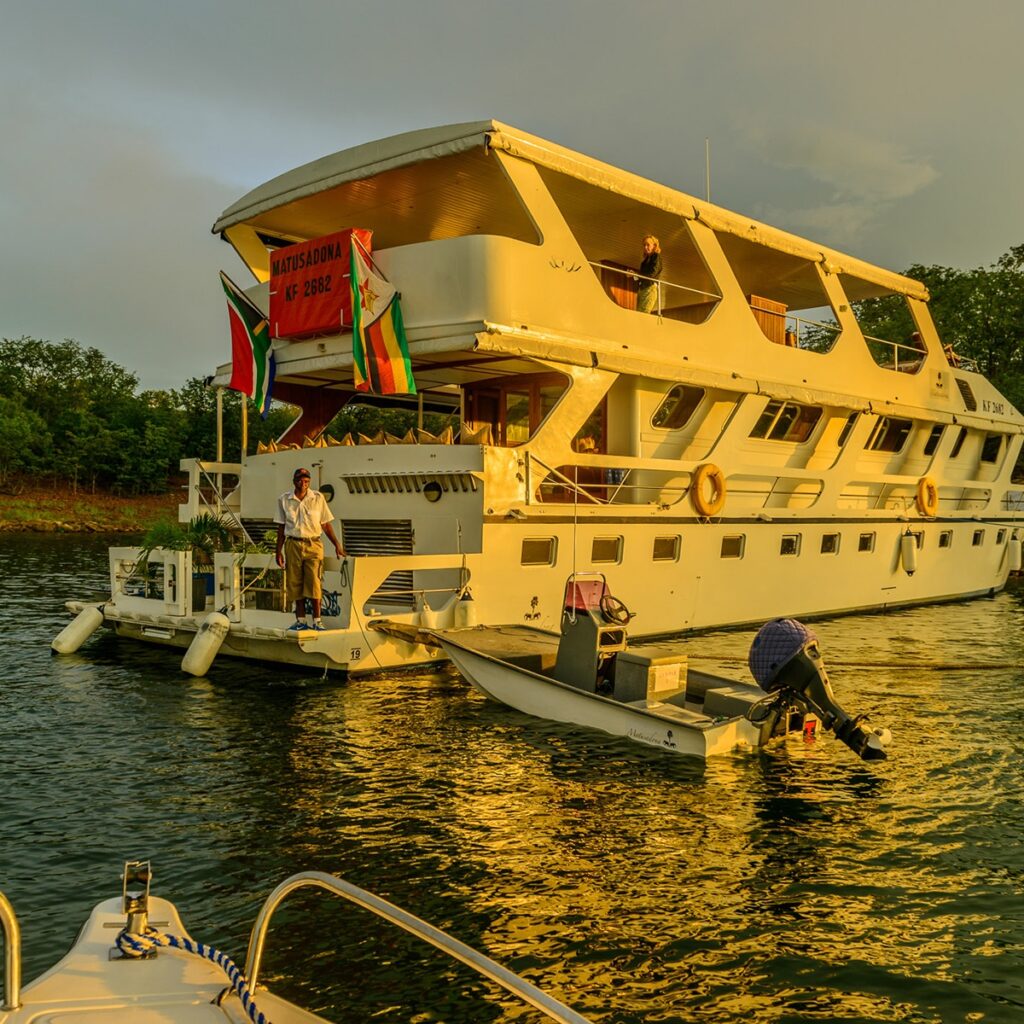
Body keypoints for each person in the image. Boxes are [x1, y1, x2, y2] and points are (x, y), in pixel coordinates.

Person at [275, 467, 344, 632]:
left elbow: (326, 525)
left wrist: (337, 545)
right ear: (294, 481)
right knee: (295, 583)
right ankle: (300, 621)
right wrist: (278, 551)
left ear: (309, 481)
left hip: (313, 544)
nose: (303, 483)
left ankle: (317, 621)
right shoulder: (284, 500)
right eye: (300, 480)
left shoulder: (317, 498)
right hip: (292, 544)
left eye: (306, 480)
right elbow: (281, 528)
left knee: (315, 583)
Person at [637, 235, 663, 314]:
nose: (645, 247)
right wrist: (634, 275)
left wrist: (637, 275)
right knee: (639, 313)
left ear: (654, 246)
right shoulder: (644, 261)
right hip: (642, 289)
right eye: (644, 245)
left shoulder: (656, 257)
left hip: (650, 288)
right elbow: (642, 275)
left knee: (644, 312)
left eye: (648, 245)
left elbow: (653, 273)